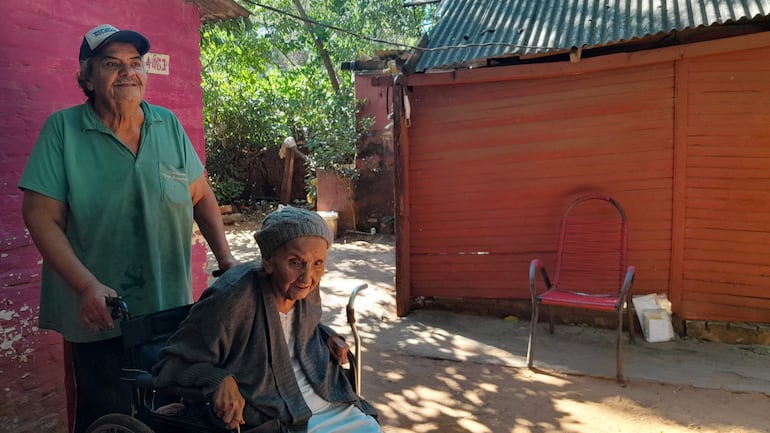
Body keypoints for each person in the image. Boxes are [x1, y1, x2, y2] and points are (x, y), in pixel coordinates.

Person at [18, 24, 239, 433]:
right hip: (102, 315)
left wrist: (226, 259)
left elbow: (200, 195)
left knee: (170, 412)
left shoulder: (167, 124)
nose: (128, 72)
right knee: (110, 418)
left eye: (135, 63)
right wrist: (86, 286)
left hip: (170, 307)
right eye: (111, 63)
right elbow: (40, 217)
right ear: (86, 77)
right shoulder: (63, 131)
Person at [152, 206, 381, 433]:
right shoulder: (232, 300)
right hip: (283, 419)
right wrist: (218, 379)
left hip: (331, 400)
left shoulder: (305, 288)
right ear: (268, 261)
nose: (307, 277)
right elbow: (169, 365)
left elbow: (296, 328)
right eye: (295, 262)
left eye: (317, 263)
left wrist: (327, 335)